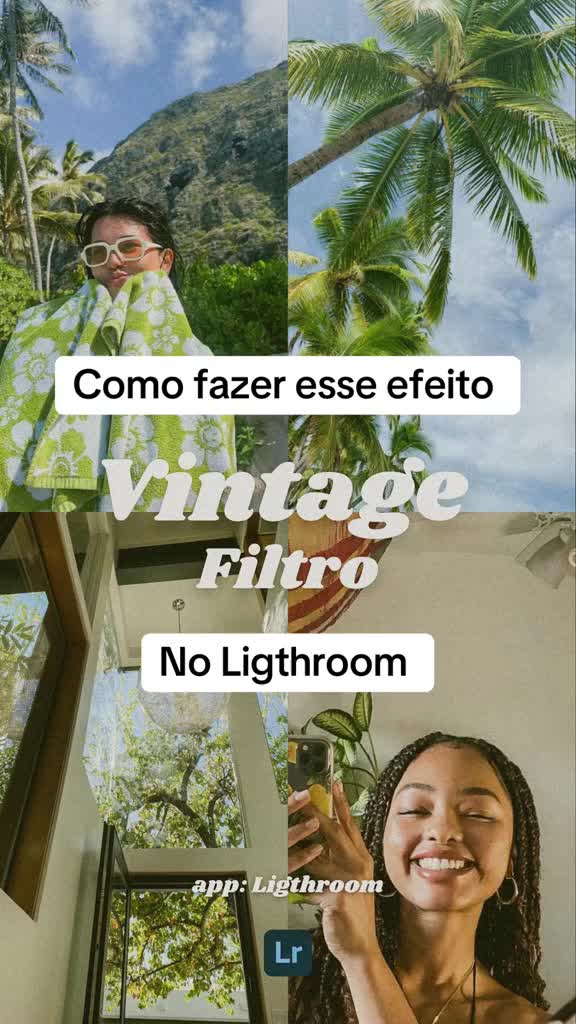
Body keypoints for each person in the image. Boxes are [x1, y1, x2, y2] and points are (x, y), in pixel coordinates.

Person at [289, 731, 551, 1023]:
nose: (442, 830)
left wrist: (363, 958)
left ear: (513, 856)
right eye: (415, 809)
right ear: (379, 842)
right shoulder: (294, 979)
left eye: (477, 814)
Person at [0, 197, 234, 511]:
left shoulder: (200, 360)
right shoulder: (40, 332)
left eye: (129, 247)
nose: (113, 262)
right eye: (98, 252)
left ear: (165, 260)